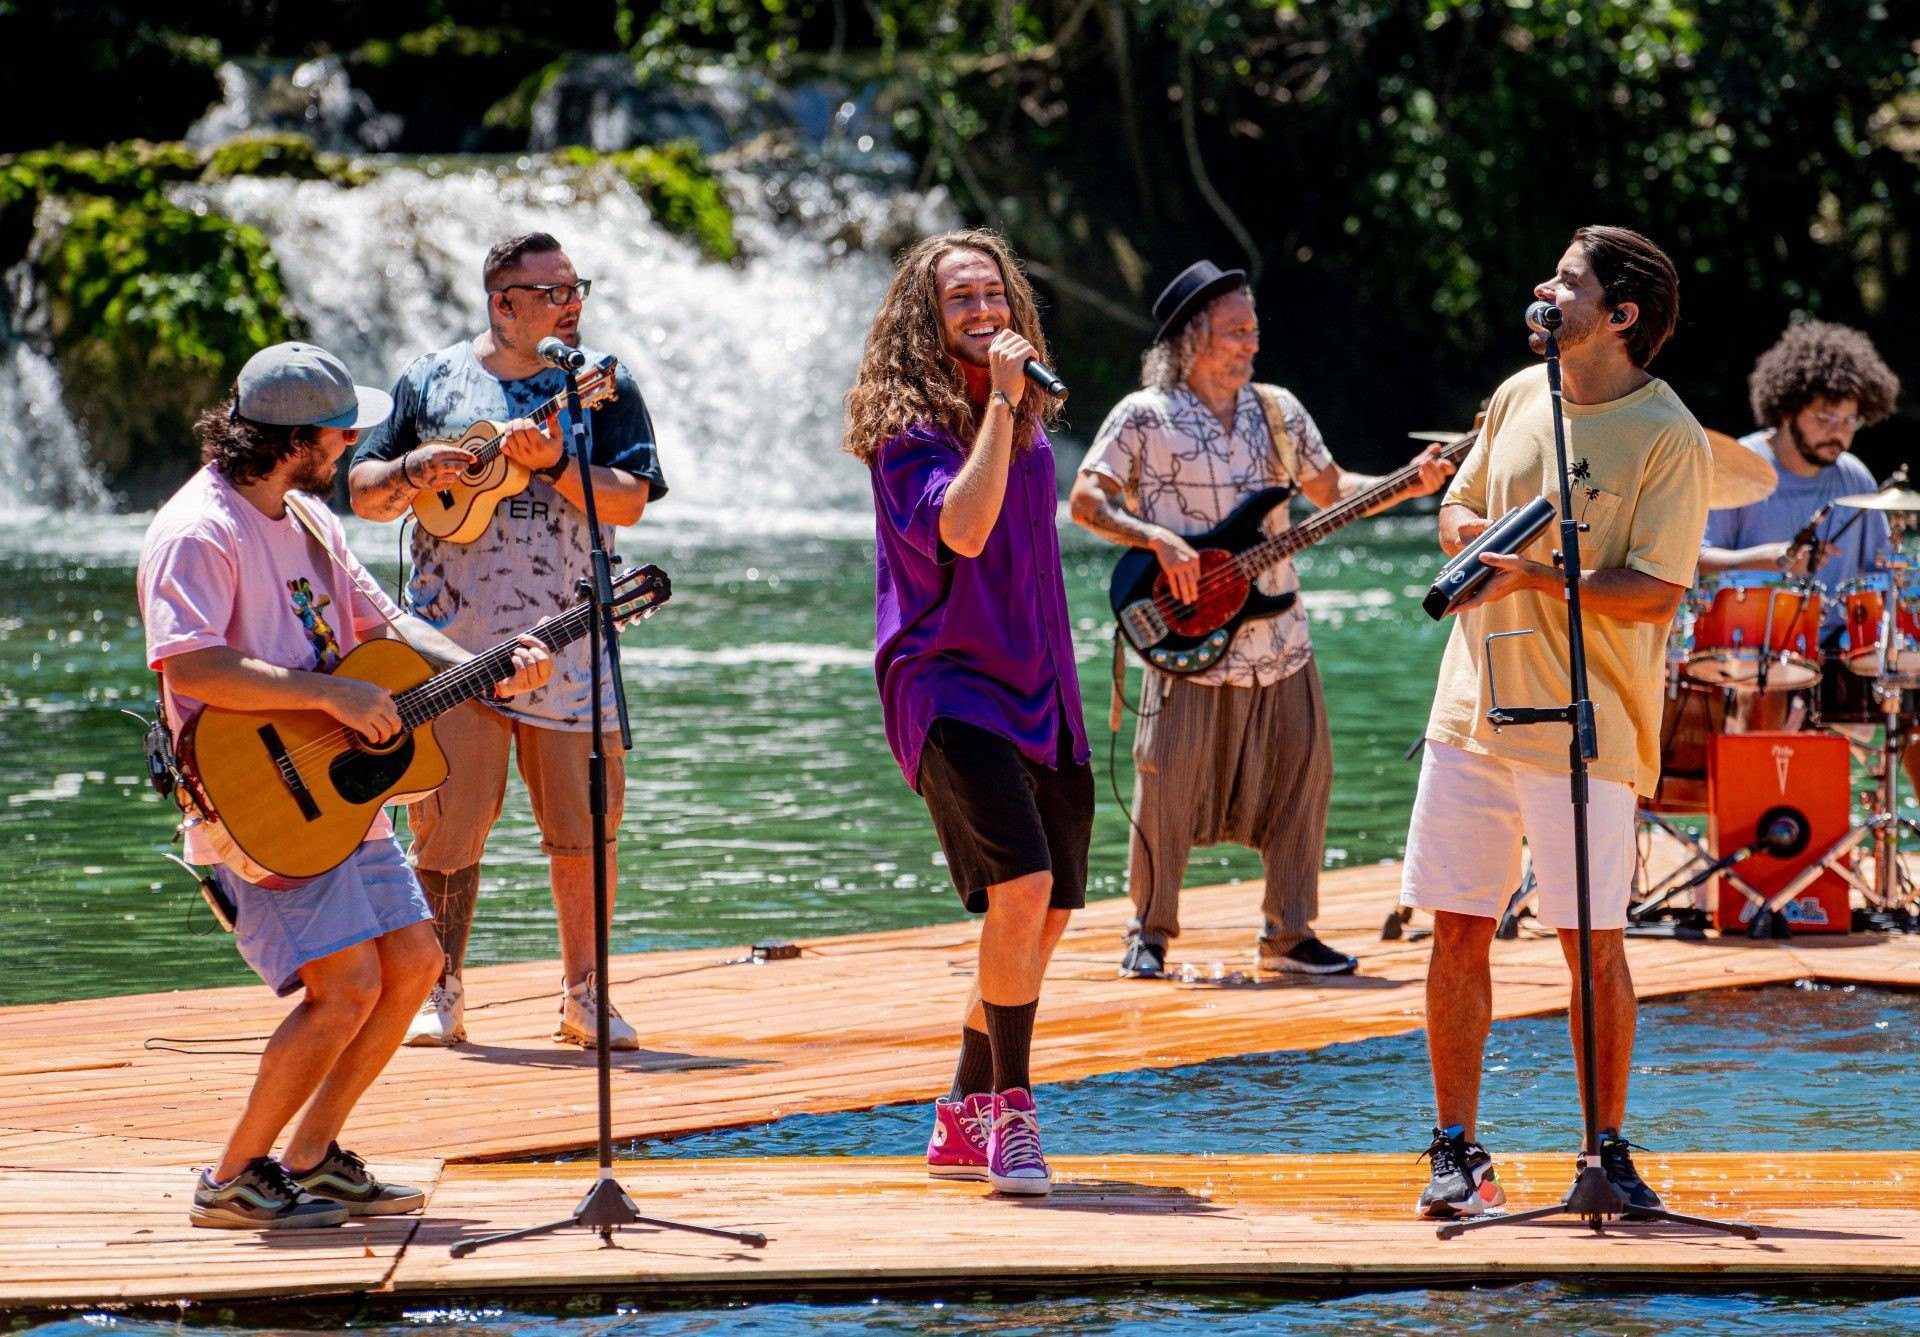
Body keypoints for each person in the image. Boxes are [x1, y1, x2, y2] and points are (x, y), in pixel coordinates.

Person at [139, 342, 552, 1228]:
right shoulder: (198, 528)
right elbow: (192, 662)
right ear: (296, 439)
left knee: (415, 964)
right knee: (347, 987)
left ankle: (314, 1155)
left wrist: (485, 665)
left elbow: (390, 621)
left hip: (341, 791)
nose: (354, 443)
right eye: (341, 432)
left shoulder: (308, 518)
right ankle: (231, 1177)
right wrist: (330, 692)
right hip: (260, 802)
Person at [1400, 227, 1711, 1219]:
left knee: (1593, 945)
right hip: (1471, 711)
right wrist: (1470, 540)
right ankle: (1456, 1148)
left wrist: (1533, 570)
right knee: (1456, 929)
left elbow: (1655, 591)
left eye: (1569, 281)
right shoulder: (1516, 393)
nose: (1546, 288)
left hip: (1589, 726)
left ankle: (1604, 1148)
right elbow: (1457, 507)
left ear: (1618, 317)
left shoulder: (1669, 434)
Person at [1070, 260, 1452, 980]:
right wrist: (1156, 538)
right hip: (1186, 633)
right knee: (1166, 783)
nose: (1251, 343)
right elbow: (1087, 502)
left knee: (1304, 779)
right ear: (1191, 340)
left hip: (1280, 638)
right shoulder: (1143, 416)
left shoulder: (1277, 410)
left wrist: (1414, 483)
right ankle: (1149, 931)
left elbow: (1334, 491)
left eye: (1254, 329)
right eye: (1235, 331)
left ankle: (1290, 933)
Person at [348, 232, 669, 1050]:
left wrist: (559, 466)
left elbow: (629, 502)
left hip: (571, 641)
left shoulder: (599, 384)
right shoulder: (430, 378)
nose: (572, 302)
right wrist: (419, 470)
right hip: (449, 645)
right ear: (502, 302)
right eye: (553, 289)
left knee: (585, 827)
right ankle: (438, 987)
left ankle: (586, 995)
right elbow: (364, 494)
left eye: (576, 287)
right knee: (447, 826)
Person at [846, 229, 1093, 1196]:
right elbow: (964, 526)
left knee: (1049, 915)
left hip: (1041, 684)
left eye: (994, 294)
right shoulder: (903, 433)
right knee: (1020, 889)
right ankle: (1014, 1119)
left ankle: (959, 1109)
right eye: (960, 300)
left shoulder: (1021, 415)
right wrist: (999, 404)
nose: (983, 312)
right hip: (945, 681)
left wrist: (1007, 405)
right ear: (925, 320)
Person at [1697, 321, 1911, 789]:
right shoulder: (1741, 469)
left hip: (1840, 643)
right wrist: (1769, 558)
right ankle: (1758, 827)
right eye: (1825, 417)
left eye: (1850, 421)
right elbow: (1697, 557)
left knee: (1911, 691)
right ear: (1789, 410)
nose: (1839, 433)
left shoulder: (1854, 476)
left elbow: (1880, 574)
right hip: (1759, 641)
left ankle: (1888, 831)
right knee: (1770, 682)